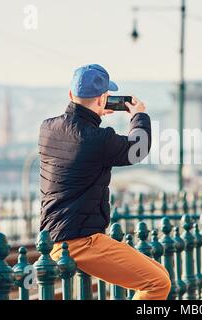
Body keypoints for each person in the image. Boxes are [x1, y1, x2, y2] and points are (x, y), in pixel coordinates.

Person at [39, 64, 171, 300]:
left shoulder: (47, 128)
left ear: (71, 95)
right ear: (102, 99)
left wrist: (94, 113)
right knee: (158, 283)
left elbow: (75, 143)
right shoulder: (98, 139)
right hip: (81, 243)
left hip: (52, 239)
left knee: (159, 272)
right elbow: (137, 149)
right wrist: (138, 115)